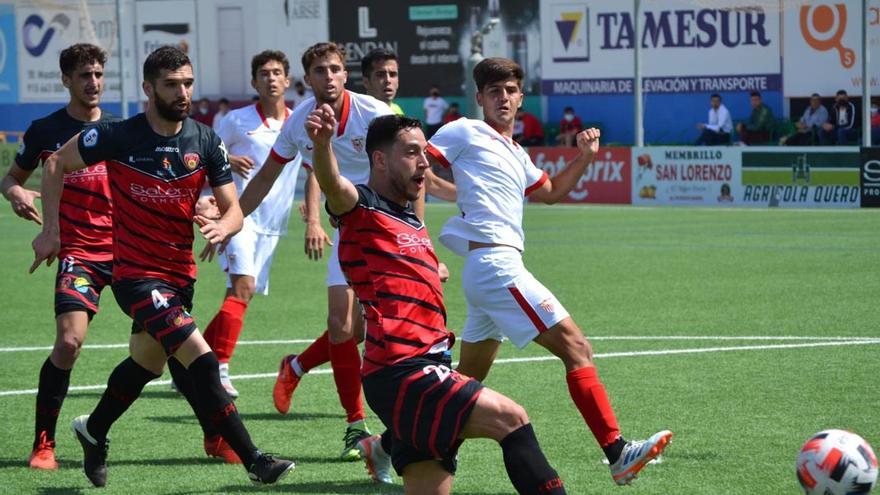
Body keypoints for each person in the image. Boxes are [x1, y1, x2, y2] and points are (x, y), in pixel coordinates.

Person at [30, 45, 294, 488]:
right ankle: (255, 460)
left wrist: (222, 225)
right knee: (203, 361)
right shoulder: (117, 135)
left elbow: (233, 209)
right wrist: (53, 230)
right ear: (148, 89)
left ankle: (93, 430)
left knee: (147, 364)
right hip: (134, 275)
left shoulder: (205, 139)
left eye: (188, 83)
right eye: (172, 85)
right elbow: (56, 163)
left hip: (179, 275)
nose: (183, 92)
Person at [425, 58, 672, 486]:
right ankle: (617, 451)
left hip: (492, 268)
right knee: (577, 346)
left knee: (465, 381)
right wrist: (446, 195)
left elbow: (552, 193)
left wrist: (586, 157)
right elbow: (418, 163)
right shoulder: (464, 130)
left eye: (511, 91)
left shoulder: (517, 152)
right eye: (495, 91)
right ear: (480, 98)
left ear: (521, 98)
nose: (504, 97)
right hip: (496, 266)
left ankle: (392, 446)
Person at [309, 108, 567, 495]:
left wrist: (431, 271)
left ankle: (376, 450)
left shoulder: (410, 218)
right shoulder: (361, 207)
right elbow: (333, 185)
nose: (425, 162)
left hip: (420, 367)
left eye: (425, 152)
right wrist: (324, 143)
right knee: (511, 419)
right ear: (380, 159)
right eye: (412, 152)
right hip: (403, 370)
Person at [239, 42, 454, 461]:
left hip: (392, 233)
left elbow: (417, 176)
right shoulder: (300, 122)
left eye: (336, 69)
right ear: (307, 80)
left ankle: (296, 366)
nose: (329, 77)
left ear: (345, 75)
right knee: (341, 326)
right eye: (320, 70)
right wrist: (233, 218)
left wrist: (420, 239)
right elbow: (271, 175)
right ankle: (355, 425)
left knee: (363, 329)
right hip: (350, 229)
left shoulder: (376, 114)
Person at [0, 43, 116, 471]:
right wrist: (15, 193)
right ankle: (43, 444)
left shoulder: (120, 131)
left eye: (99, 74)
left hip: (127, 253)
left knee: (169, 345)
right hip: (79, 253)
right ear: (66, 80)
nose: (94, 83)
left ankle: (217, 435)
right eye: (85, 75)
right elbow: (11, 178)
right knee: (68, 343)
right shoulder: (46, 130)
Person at [199, 50, 301, 398]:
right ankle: (218, 370)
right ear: (254, 82)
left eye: (277, 73)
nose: (271, 78)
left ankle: (189, 361)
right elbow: (207, 157)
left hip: (273, 224)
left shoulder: (298, 121)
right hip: (237, 217)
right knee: (243, 287)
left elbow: (315, 169)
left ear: (287, 81)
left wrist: (315, 216)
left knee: (239, 294)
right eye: (264, 73)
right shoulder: (235, 120)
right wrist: (226, 161)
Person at [361, 48, 403, 115]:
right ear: (366, 82)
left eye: (393, 74)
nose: (388, 80)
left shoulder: (397, 111)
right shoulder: (356, 113)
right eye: (380, 75)